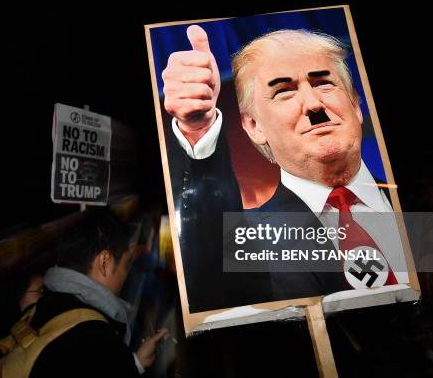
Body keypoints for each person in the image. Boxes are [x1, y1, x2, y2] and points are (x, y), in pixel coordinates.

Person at [161, 25, 409, 311]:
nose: (314, 104)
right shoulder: (249, 238)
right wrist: (197, 130)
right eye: (284, 92)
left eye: (323, 83)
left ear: (356, 106)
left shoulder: (424, 203)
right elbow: (210, 265)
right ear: (254, 127)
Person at [27, 210, 168, 377]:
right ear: (104, 262)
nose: (126, 274)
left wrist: (135, 363)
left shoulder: (44, 306)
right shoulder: (96, 337)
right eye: (125, 264)